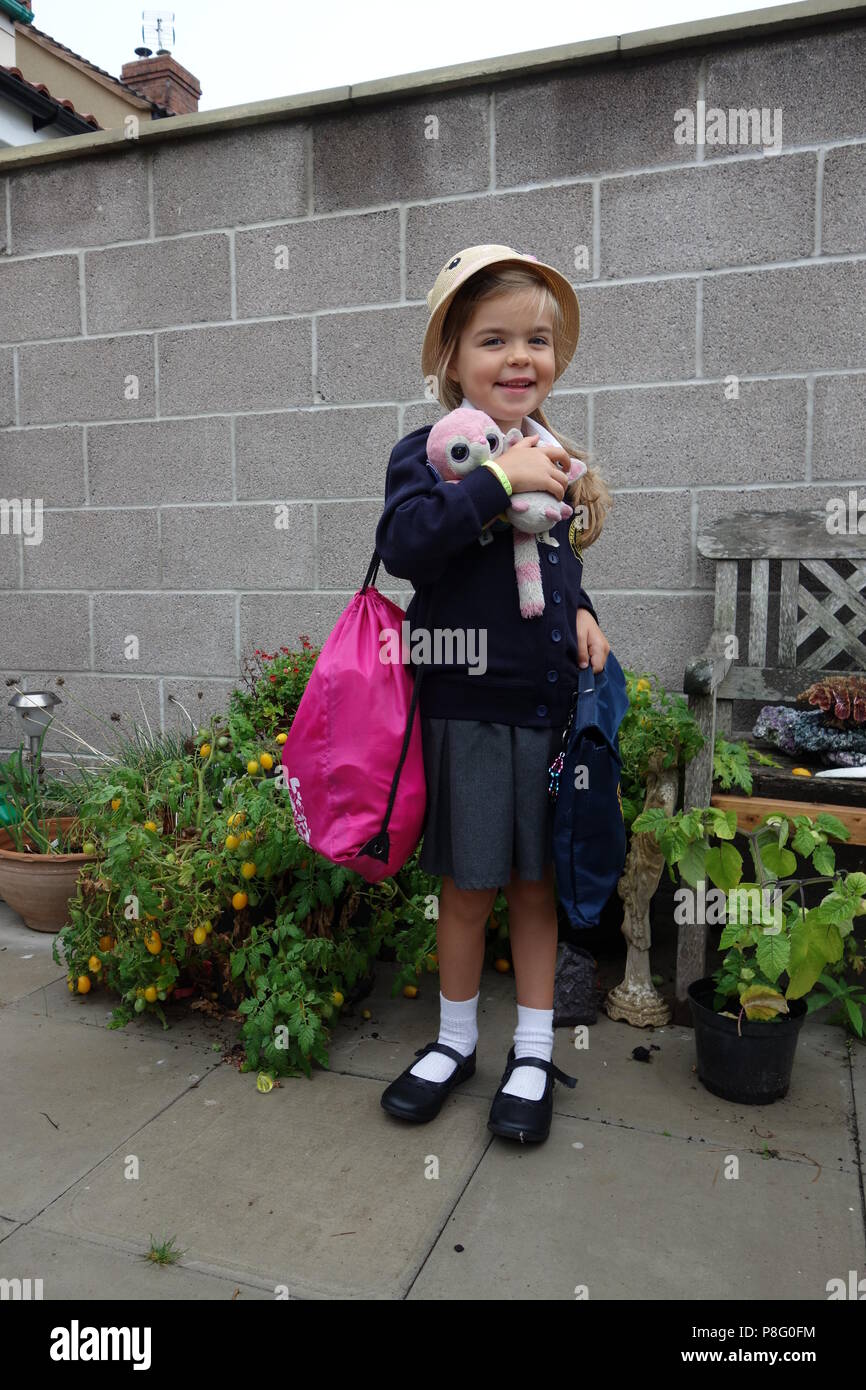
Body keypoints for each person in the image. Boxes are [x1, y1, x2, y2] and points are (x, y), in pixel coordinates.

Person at [375, 245, 612, 1144]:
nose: (522, 357)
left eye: (539, 340)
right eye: (495, 339)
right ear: (451, 358)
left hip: (546, 714)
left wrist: (583, 608)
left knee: (535, 891)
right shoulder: (435, 457)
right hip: (466, 712)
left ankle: (534, 1049)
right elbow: (408, 544)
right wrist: (492, 482)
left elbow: (554, 557)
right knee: (469, 890)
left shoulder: (550, 456)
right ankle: (455, 1041)